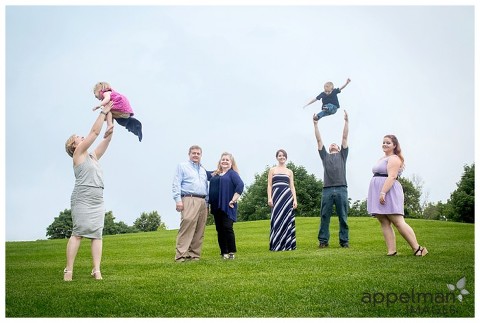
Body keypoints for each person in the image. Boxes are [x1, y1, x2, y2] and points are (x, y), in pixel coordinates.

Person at [63, 101, 114, 281]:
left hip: (97, 198)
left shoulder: (92, 156)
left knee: (97, 234)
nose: (82, 136)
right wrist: (102, 111)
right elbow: (94, 133)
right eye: (78, 136)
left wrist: (110, 118)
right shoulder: (78, 154)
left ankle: (96, 270)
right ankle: (68, 271)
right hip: (83, 197)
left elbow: (107, 137)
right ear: (73, 145)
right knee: (78, 233)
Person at [367, 135, 428, 257]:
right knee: (384, 221)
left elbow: (392, 176)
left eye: (388, 143)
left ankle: (418, 249)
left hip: (389, 191)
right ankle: (391, 251)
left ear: (394, 145)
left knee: (398, 221)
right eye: (383, 142)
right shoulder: (383, 158)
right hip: (377, 190)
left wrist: (383, 192)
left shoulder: (394, 159)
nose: (385, 144)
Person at [313, 110, 350, 248]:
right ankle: (323, 241)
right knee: (324, 216)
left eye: (335, 144)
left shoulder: (342, 155)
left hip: (341, 188)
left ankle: (344, 241)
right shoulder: (325, 156)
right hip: (327, 190)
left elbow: (344, 137)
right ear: (329, 148)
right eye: (331, 144)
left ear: (339, 148)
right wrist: (315, 125)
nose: (333, 144)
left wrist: (346, 122)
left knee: (343, 217)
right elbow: (319, 140)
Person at [172, 145, 209, 262]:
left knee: (200, 229)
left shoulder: (203, 170)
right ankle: (181, 255)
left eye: (198, 153)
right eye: (194, 153)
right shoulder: (182, 166)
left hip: (203, 201)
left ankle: (194, 255)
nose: (196, 155)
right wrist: (178, 200)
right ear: (189, 154)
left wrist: (207, 203)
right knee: (187, 224)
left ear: (201, 155)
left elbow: (206, 186)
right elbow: (176, 183)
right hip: (189, 198)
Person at [207, 152, 244, 260]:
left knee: (227, 228)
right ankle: (224, 252)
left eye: (227, 160)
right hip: (216, 206)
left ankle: (231, 252)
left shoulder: (232, 174)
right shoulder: (216, 173)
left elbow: (240, 185)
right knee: (220, 229)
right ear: (220, 161)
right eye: (223, 159)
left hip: (228, 206)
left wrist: (233, 200)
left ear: (231, 162)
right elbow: (203, 173)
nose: (224, 161)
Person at [267, 149, 298, 251]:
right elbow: (269, 185)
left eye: (283, 155)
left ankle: (288, 245)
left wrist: (295, 200)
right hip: (276, 197)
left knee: (286, 219)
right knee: (277, 219)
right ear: (277, 157)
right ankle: (276, 245)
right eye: (280, 155)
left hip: (287, 197)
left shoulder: (289, 171)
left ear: (286, 157)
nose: (282, 157)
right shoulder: (272, 170)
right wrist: (269, 198)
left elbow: (292, 186)